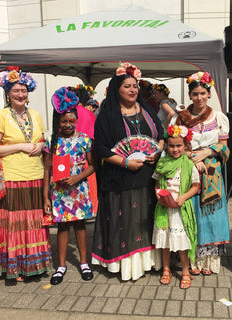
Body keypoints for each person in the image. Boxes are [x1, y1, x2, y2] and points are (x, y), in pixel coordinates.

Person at [92, 62, 164, 281]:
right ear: (117, 90)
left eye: (135, 86)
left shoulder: (148, 110)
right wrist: (125, 162)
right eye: (127, 86)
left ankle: (150, 262)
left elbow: (161, 136)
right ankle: (124, 265)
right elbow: (101, 149)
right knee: (124, 221)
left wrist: (158, 152)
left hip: (147, 175)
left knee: (145, 219)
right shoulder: (107, 115)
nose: (133, 90)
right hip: (120, 177)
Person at [0, 66, 51, 281]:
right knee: (15, 224)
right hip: (12, 177)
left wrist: (42, 145)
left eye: (24, 90)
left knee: (34, 223)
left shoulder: (36, 115)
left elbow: (42, 140)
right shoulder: (0, 116)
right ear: (8, 94)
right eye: (16, 91)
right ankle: (16, 267)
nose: (21, 94)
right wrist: (19, 146)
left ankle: (35, 264)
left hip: (36, 175)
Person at [171, 71, 230, 275]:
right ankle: (193, 261)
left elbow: (224, 147)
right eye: (195, 94)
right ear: (189, 95)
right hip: (189, 170)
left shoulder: (219, 118)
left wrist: (207, 151)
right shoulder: (180, 119)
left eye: (203, 93)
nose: (199, 98)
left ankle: (209, 262)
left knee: (211, 217)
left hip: (213, 172)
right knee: (192, 214)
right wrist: (191, 158)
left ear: (209, 94)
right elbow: (174, 145)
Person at [43, 87, 95, 285]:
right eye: (64, 121)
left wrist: (77, 178)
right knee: (63, 227)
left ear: (76, 119)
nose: (68, 124)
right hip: (59, 192)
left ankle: (84, 263)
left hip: (79, 190)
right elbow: (46, 170)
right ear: (58, 121)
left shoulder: (84, 139)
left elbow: (92, 166)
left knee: (80, 225)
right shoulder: (51, 141)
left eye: (71, 120)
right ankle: (62, 265)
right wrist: (45, 197)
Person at [153, 125, 200, 289]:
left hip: (180, 209)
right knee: (165, 241)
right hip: (165, 208)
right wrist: (158, 195)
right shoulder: (163, 162)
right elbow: (157, 182)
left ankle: (185, 271)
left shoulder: (188, 164)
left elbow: (195, 186)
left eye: (179, 145)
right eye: (171, 145)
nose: (175, 149)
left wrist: (184, 197)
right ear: (166, 145)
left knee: (182, 243)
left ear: (186, 145)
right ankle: (166, 269)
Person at [70, 84, 99, 214]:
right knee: (89, 182)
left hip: (70, 154)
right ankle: (90, 207)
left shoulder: (71, 112)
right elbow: (94, 134)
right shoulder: (90, 114)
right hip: (87, 152)